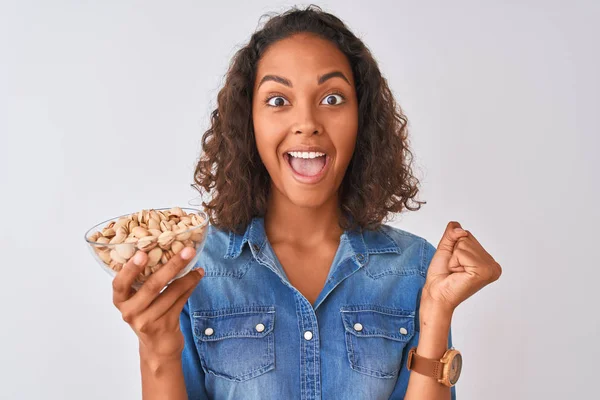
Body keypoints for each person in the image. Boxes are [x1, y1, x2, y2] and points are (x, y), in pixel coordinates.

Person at [111, 5, 502, 400]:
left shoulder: (416, 268)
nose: (307, 122)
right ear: (248, 122)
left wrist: (435, 316)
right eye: (278, 100)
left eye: (332, 98)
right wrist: (156, 352)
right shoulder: (194, 267)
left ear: (362, 118)